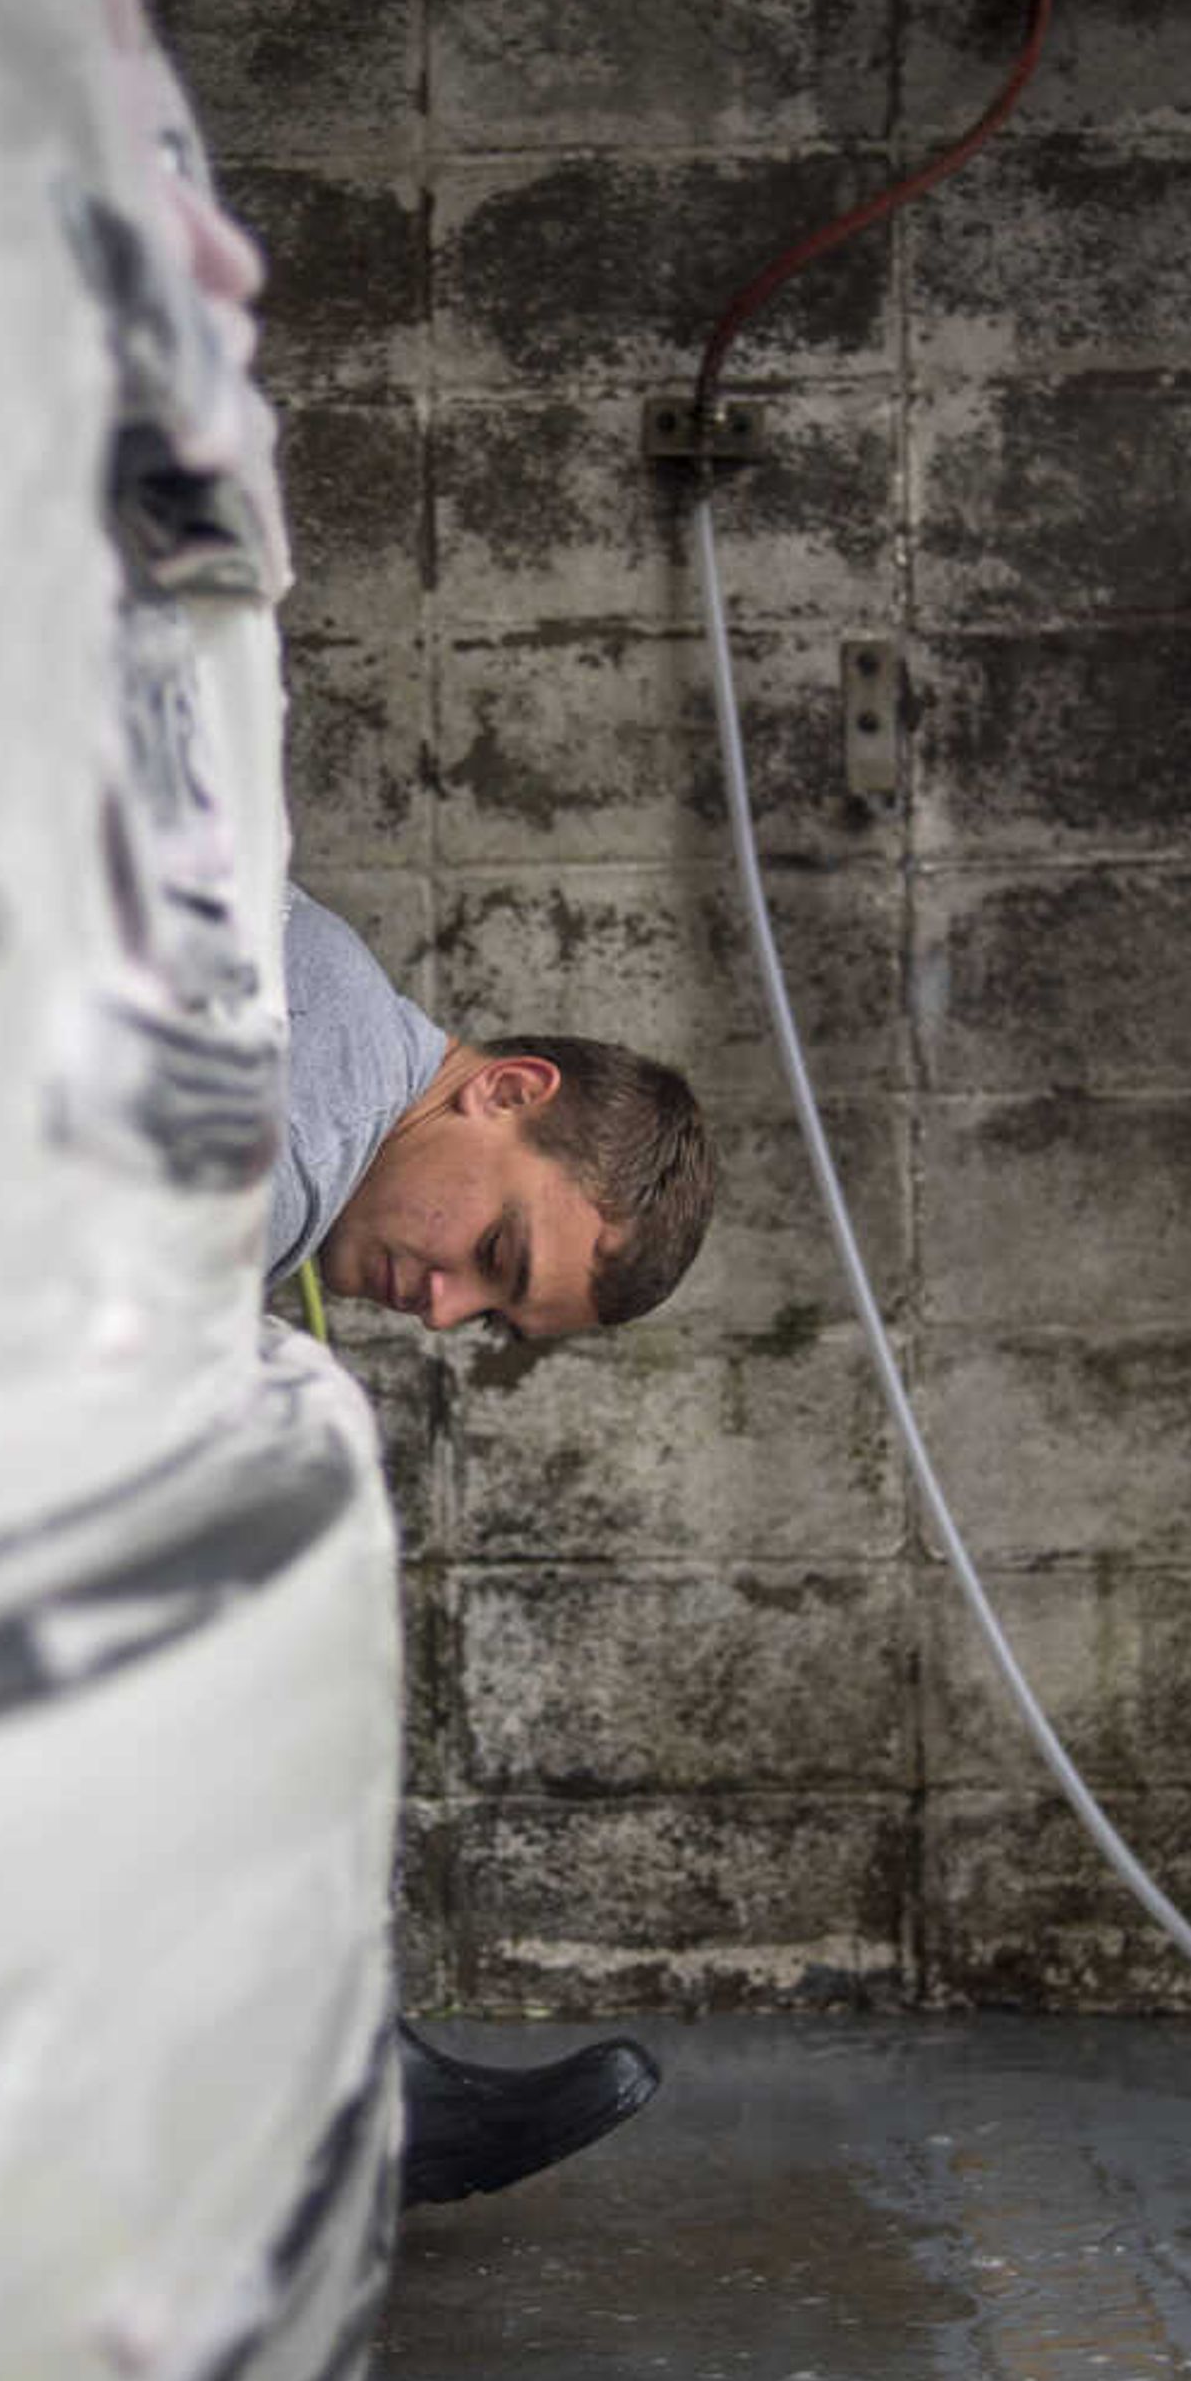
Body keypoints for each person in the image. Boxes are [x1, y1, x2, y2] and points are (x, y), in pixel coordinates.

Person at [266, 881, 719, 2205]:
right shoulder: (306, 1125)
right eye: (495, 1245)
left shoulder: (331, 1001)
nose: (441, 1299)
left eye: (488, 1311)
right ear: (507, 1090)